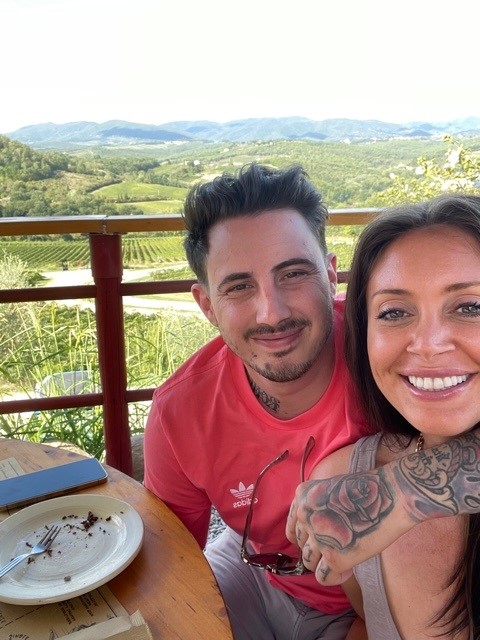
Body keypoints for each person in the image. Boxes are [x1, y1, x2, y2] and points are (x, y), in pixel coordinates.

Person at [143, 162, 372, 640]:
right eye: (239, 286)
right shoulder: (181, 412)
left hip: (374, 594)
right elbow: (171, 562)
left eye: (294, 274)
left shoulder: (388, 357)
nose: (272, 313)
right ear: (207, 305)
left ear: (331, 275)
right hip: (255, 571)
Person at [287, 194, 480, 638]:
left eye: (470, 306)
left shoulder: (360, 496)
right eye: (394, 312)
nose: (428, 344)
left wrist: (402, 491)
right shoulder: (341, 480)